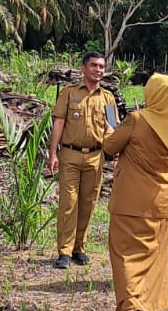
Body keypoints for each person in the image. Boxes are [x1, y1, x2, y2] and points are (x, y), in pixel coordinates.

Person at [102, 73, 168, 311]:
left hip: (131, 199)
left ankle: (128, 307)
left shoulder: (137, 119)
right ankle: (150, 306)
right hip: (163, 200)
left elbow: (110, 147)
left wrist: (109, 130)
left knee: (125, 252)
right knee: (155, 254)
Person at [46, 52, 119, 269]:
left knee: (88, 203)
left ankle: (79, 248)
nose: (98, 70)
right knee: (68, 203)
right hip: (70, 154)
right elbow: (59, 123)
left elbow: (112, 127)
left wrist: (115, 154)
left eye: (101, 66)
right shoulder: (69, 94)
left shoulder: (107, 98)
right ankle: (64, 251)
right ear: (83, 68)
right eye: (94, 65)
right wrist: (53, 153)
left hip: (95, 156)